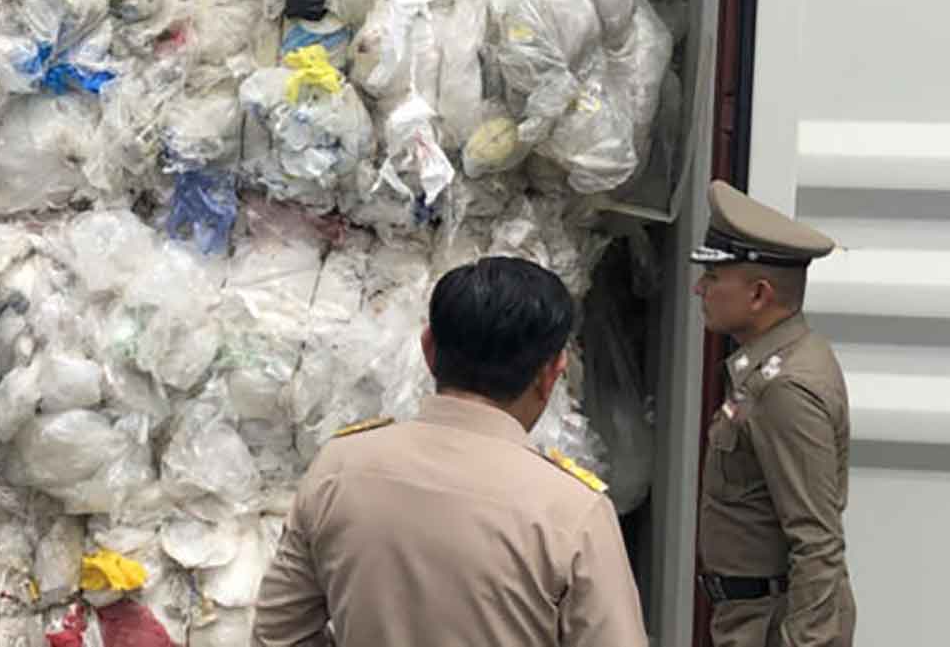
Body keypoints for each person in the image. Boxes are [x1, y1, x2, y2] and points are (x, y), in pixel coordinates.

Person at [253, 256, 647, 647]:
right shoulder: (572, 512)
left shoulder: (339, 469)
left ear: (428, 349)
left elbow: (278, 635)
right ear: (551, 375)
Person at [692, 180, 854, 647]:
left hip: (772, 626)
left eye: (714, 277)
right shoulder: (767, 367)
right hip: (751, 617)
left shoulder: (786, 387)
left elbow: (818, 543)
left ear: (759, 295)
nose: (700, 287)